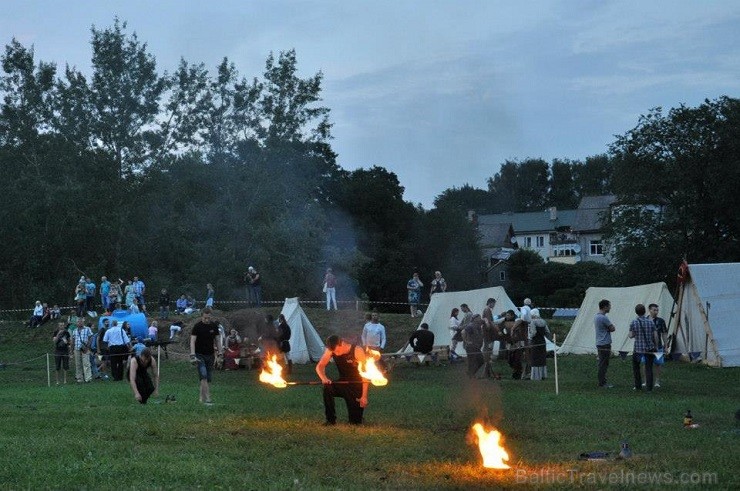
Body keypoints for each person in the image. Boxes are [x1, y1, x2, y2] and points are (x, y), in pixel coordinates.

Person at [315, 335, 371, 425]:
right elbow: (319, 366)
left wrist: (364, 396)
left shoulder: (357, 351)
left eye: (337, 351)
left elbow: (365, 376)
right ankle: (330, 420)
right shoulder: (330, 350)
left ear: (341, 343)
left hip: (356, 386)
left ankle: (357, 417)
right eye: (334, 352)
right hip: (342, 383)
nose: (336, 354)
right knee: (327, 388)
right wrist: (324, 378)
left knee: (355, 423)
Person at [190, 308, 222, 405]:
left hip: (210, 355)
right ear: (201, 316)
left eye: (208, 318)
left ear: (210, 316)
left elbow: (217, 340)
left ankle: (201, 399)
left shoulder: (214, 326)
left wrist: (220, 353)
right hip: (199, 355)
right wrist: (192, 354)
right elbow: (192, 341)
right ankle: (208, 398)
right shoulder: (197, 326)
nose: (207, 320)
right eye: (205, 318)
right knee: (203, 376)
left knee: (207, 378)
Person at [629, 304, 657, 391]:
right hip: (649, 348)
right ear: (645, 311)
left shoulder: (634, 322)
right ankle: (649, 388)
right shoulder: (651, 322)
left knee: (636, 367)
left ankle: (638, 386)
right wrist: (656, 345)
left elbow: (630, 335)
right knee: (649, 368)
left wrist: (634, 333)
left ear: (636, 312)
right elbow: (655, 336)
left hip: (638, 348)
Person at [595, 299, 616, 388]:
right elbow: (612, 328)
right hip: (604, 343)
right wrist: (609, 328)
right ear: (605, 307)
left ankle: (602, 381)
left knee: (602, 362)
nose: (610, 307)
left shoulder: (596, 316)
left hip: (599, 342)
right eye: (609, 306)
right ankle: (602, 382)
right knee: (603, 363)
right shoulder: (603, 317)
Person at [648, 303, 667, 388]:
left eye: (657, 310)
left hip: (658, 346)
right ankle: (645, 381)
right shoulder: (645, 320)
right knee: (645, 363)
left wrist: (665, 345)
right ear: (650, 310)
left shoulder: (661, 321)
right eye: (654, 310)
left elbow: (664, 333)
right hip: (647, 347)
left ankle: (657, 381)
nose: (656, 312)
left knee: (658, 364)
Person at [529, 309, 551, 380]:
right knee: (541, 358)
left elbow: (533, 332)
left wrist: (530, 338)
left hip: (535, 341)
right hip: (542, 341)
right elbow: (547, 332)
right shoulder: (543, 321)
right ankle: (542, 375)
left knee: (535, 358)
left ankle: (536, 376)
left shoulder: (533, 322)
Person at [462, 314, 485, 379]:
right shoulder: (471, 325)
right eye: (479, 318)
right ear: (475, 319)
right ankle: (471, 375)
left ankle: (471, 373)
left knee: (480, 361)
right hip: (471, 346)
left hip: (476, 346)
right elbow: (463, 332)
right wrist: (466, 341)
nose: (480, 319)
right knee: (473, 361)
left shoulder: (477, 326)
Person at [71, 319, 94, 383]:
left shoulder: (87, 329)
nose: (80, 323)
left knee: (86, 363)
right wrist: (71, 350)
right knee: (78, 364)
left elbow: (91, 338)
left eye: (81, 321)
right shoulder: (74, 330)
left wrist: (87, 347)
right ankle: (79, 379)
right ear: (76, 323)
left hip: (85, 348)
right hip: (77, 348)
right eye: (78, 321)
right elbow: (72, 341)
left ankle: (88, 379)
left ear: (83, 322)